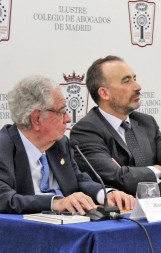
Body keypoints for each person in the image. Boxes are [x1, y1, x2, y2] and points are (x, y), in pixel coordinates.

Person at [0, 75, 135, 215]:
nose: (68, 118)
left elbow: (78, 180)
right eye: (62, 111)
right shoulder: (4, 147)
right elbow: (4, 198)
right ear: (37, 119)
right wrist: (55, 203)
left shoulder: (60, 143)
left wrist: (106, 194)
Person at [70, 55, 161, 195]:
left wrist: (150, 195)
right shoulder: (86, 130)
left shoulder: (147, 123)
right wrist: (157, 170)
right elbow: (118, 179)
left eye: (134, 79)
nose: (138, 87)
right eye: (126, 81)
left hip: (159, 208)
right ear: (104, 93)